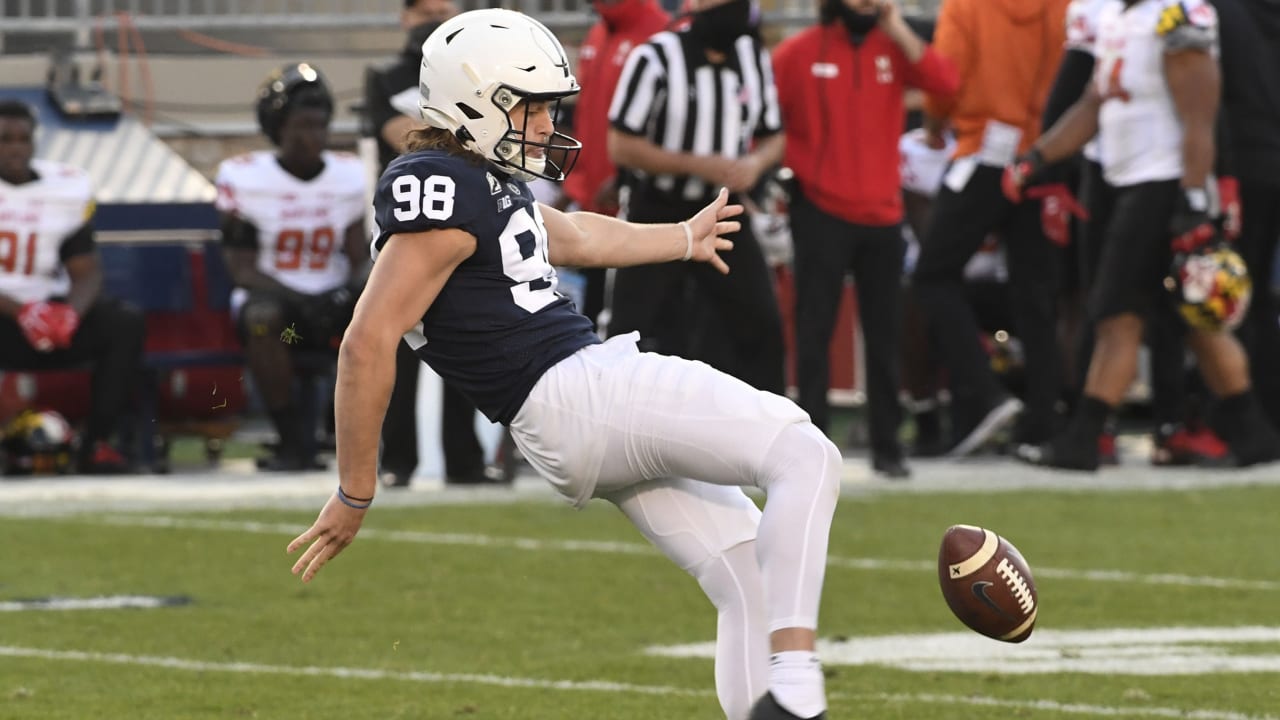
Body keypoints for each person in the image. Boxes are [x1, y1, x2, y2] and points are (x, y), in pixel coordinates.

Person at [287, 10, 840, 720]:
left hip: (564, 415)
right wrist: (355, 488)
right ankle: (795, 687)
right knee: (805, 453)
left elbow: (577, 234)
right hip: (576, 389)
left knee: (744, 576)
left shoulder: (478, 181)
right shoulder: (439, 186)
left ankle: (771, 702)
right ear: (476, 99)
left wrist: (681, 236)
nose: (548, 124)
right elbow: (367, 340)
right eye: (534, 105)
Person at [1006, 0, 1280, 469]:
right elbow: (1094, 102)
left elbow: (1201, 114)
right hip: (1122, 180)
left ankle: (1084, 438)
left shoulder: (1179, 14)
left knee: (1117, 313)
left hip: (1163, 183)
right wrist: (1039, 158)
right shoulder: (1116, 15)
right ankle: (1253, 432)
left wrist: (1194, 199)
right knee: (1192, 320)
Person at [771, 0, 959, 479]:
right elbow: (767, 120)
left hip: (882, 213)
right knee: (814, 331)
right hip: (819, 210)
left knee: (884, 334)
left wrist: (896, 25)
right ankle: (809, 450)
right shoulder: (797, 53)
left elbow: (946, 84)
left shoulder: (893, 48)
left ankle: (887, 445)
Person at [911, 0, 1070, 456]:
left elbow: (945, 79)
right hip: (1041, 156)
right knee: (1035, 296)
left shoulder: (966, 6)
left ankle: (985, 394)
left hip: (982, 152)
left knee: (932, 275)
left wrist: (934, 127)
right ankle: (1042, 420)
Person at [605, 0, 787, 395]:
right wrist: (693, 163)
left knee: (761, 324)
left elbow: (774, 137)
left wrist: (755, 164)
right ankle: (616, 430)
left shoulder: (752, 58)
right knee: (633, 330)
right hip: (658, 208)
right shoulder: (655, 56)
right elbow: (620, 145)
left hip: (722, 212)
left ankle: (765, 435)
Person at [364, 0, 499, 487]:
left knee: (464, 335)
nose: (438, 17)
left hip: (461, 222)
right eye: (428, 9)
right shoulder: (384, 77)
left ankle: (464, 458)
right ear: (406, 15)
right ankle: (398, 459)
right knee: (397, 343)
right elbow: (403, 135)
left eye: (448, 8)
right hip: (408, 225)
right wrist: (460, 134)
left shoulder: (474, 74)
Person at [215, 63, 369, 471]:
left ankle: (355, 433)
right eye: (301, 126)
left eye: (319, 126)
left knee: (385, 306)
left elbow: (360, 258)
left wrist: (343, 294)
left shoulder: (349, 175)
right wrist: (302, 300)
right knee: (264, 319)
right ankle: (291, 438)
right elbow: (242, 270)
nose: (312, 137)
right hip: (290, 323)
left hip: (334, 317)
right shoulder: (243, 176)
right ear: (278, 127)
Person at [0, 99, 144, 474]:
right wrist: (22, 311)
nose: (15, 147)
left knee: (124, 323)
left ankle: (96, 443)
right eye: (4, 139)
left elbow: (87, 270)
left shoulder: (64, 188)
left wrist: (68, 314)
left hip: (50, 316)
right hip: (6, 318)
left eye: (22, 139)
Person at [555, 0, 670, 329]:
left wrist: (625, 177)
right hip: (590, 201)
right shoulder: (598, 32)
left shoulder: (659, 33)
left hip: (633, 205)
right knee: (586, 319)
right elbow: (587, 118)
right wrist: (573, 185)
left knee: (629, 322)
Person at [1213, 0, 1280, 430]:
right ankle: (1268, 414)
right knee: (1259, 304)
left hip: (1238, 167)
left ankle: (1238, 420)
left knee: (1229, 301)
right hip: (1269, 161)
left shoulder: (1216, 13)